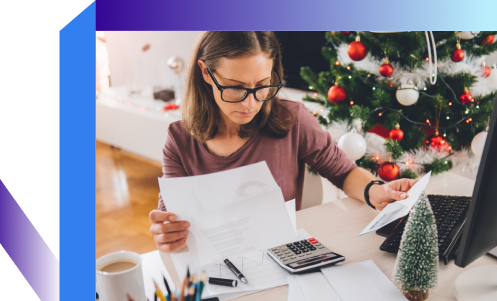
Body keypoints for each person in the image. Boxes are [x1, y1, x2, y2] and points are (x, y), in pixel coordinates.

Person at [149, 31, 418, 253]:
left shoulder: (292, 119)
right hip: (216, 262)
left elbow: (343, 171)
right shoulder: (179, 140)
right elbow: (173, 217)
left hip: (283, 254)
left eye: (262, 85)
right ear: (206, 73)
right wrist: (167, 233)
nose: (250, 103)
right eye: (235, 87)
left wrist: (375, 192)